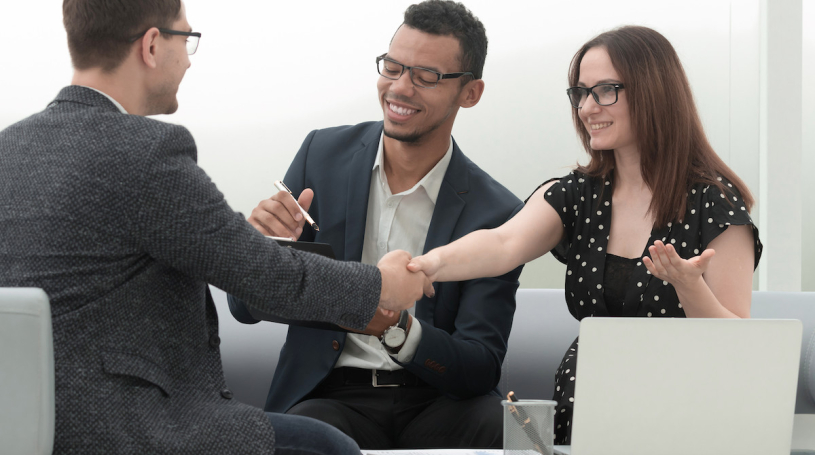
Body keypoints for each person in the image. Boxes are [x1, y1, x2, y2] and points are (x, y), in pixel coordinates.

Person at [0, 1, 431, 454]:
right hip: (122, 428)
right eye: (186, 39)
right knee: (325, 446)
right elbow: (265, 276)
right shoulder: (147, 154)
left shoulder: (9, 149)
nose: (188, 57)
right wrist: (380, 285)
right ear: (151, 44)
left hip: (22, 427)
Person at [408, 25, 763, 444]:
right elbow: (503, 243)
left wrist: (689, 287)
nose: (587, 107)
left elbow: (741, 351)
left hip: (685, 416)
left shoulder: (714, 203)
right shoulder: (579, 195)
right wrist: (424, 266)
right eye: (580, 93)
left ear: (655, 91)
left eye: (605, 90)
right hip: (585, 408)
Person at [228, 0, 523, 449]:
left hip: (439, 399)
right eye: (392, 67)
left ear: (470, 93)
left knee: (501, 428)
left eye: (426, 76)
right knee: (306, 437)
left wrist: (396, 328)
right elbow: (243, 308)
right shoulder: (320, 155)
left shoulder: (495, 213)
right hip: (330, 395)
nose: (400, 88)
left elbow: (480, 366)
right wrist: (259, 247)